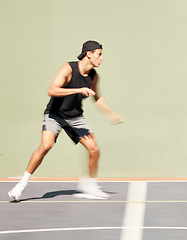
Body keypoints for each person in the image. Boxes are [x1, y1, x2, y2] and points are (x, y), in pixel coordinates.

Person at [8, 40, 124, 201]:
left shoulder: (93, 76)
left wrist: (111, 114)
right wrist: (77, 89)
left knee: (94, 149)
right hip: (55, 115)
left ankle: (90, 186)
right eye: (99, 54)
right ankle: (21, 185)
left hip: (75, 117)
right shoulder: (68, 68)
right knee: (45, 146)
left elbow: (97, 97)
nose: (101, 58)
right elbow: (52, 90)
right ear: (89, 54)